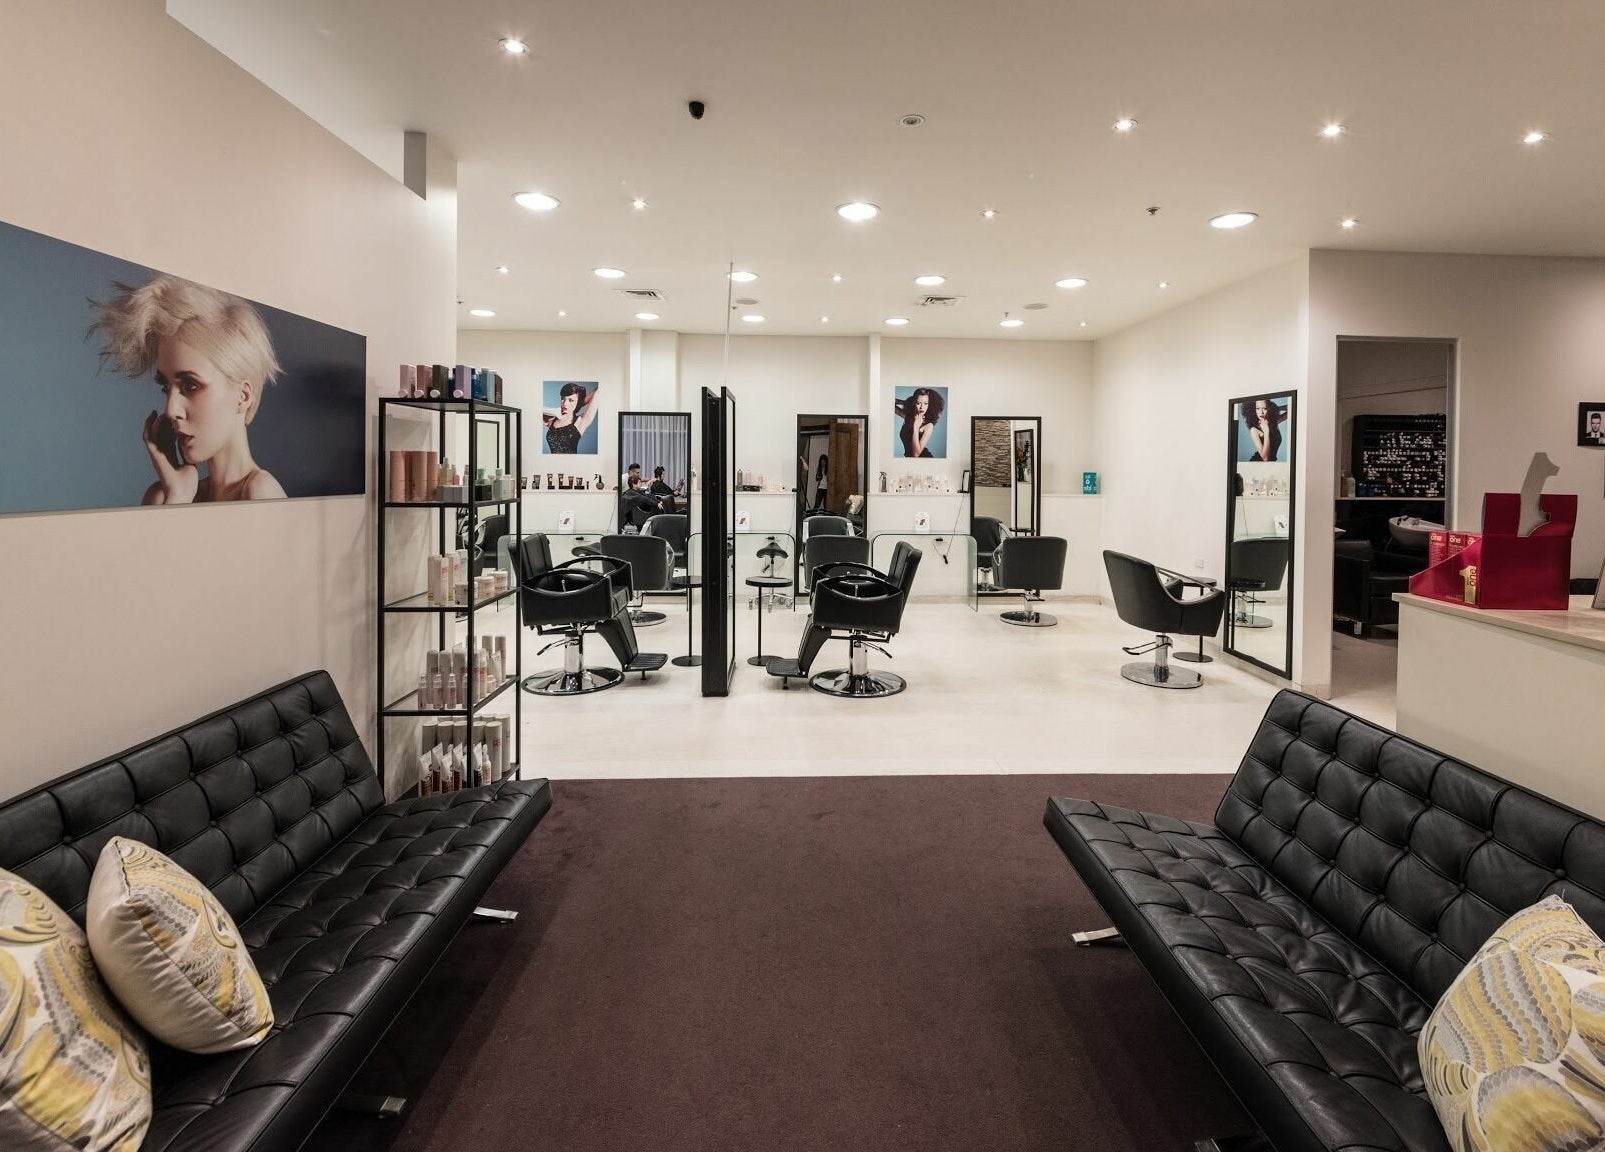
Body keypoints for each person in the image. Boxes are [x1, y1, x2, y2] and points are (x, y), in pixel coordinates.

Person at [93, 274, 286, 504]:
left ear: (243, 397)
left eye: (190, 385)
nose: (171, 409)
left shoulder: (260, 492)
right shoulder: (164, 496)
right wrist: (178, 497)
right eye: (166, 386)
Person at [543, 382, 599, 453]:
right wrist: (555, 411)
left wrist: (579, 404)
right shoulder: (552, 420)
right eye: (563, 398)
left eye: (571, 400)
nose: (565, 403)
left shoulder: (580, 421)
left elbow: (598, 392)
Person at [894, 388, 943, 458]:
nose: (922, 407)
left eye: (925, 403)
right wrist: (908, 403)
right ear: (914, 403)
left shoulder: (929, 426)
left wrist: (916, 427)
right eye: (918, 403)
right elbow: (891, 403)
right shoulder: (909, 417)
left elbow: (916, 454)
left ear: (930, 405)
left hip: (924, 460)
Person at [1242, 397, 1286, 462]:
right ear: (1253, 410)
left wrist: (1274, 409)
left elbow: (1291, 408)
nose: (1261, 412)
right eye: (1258, 409)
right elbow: (1265, 458)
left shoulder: (1273, 422)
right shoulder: (1254, 430)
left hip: (1272, 465)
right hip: (1258, 464)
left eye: (1264, 408)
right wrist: (1266, 431)